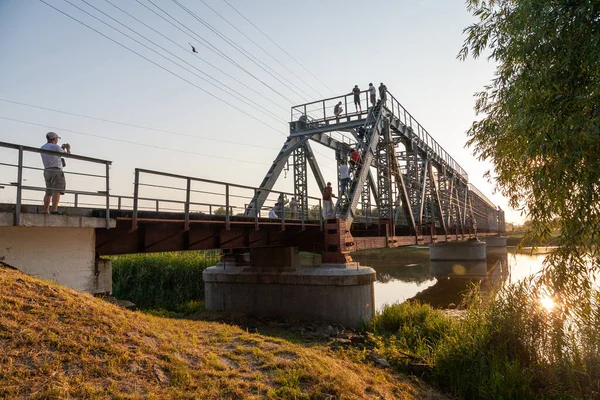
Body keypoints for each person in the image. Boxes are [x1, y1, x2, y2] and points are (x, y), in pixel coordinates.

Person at [40, 131, 70, 214]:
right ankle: (54, 210)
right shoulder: (55, 146)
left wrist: (61, 148)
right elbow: (68, 155)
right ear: (53, 138)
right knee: (57, 191)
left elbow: (54, 155)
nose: (57, 140)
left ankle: (45, 210)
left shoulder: (43, 147)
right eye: (57, 138)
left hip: (47, 170)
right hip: (56, 170)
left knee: (48, 192)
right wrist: (68, 148)